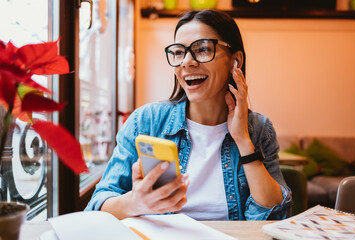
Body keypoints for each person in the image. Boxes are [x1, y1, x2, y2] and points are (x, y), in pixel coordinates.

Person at [85, 9, 292, 221]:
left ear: (235, 60)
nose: (186, 62)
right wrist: (135, 202)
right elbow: (97, 206)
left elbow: (274, 217)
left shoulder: (258, 129)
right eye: (178, 52)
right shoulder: (146, 122)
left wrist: (243, 141)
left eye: (202, 49)